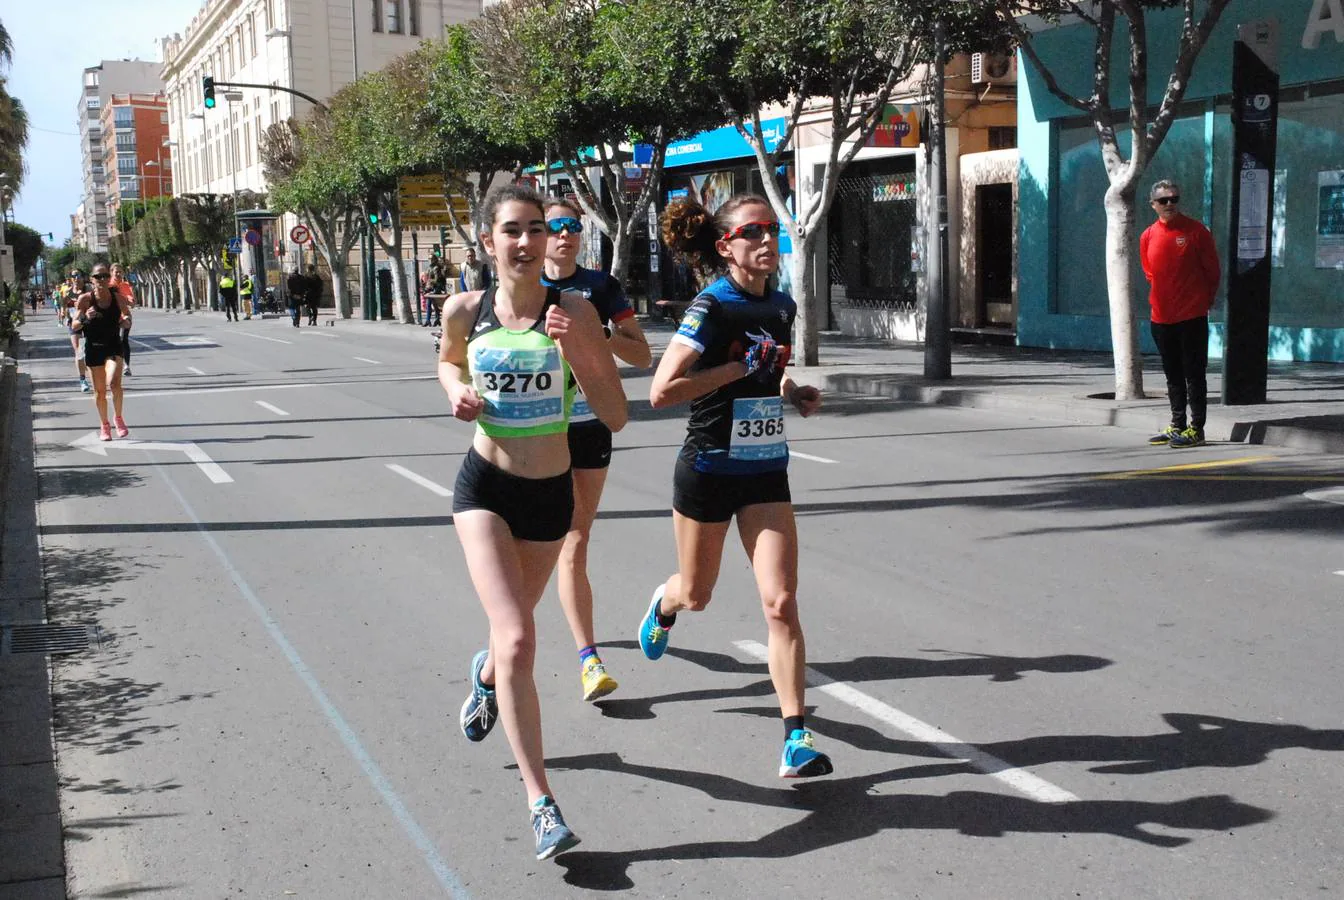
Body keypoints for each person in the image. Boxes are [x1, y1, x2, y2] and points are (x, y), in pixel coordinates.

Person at [441, 185, 626, 860]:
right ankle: (541, 803)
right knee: (520, 637)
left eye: (536, 231)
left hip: (551, 496)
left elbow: (616, 413)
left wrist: (579, 350)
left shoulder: (575, 310)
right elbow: (444, 359)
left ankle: (487, 675)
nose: (525, 243)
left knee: (506, 646)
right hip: (484, 488)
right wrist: (456, 391)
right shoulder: (464, 310)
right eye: (511, 230)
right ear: (488, 240)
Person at [640, 194, 833, 780]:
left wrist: (791, 391)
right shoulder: (711, 306)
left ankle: (795, 735)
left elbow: (769, 368)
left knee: (780, 602)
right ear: (726, 247)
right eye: (753, 232)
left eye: (772, 230)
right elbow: (661, 391)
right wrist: (734, 370)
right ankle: (664, 602)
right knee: (697, 593)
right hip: (708, 469)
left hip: (766, 470)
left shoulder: (781, 304)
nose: (766, 241)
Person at [540, 198, 652, 701]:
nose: (565, 234)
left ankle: (588, 660)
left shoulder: (601, 287)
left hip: (589, 425)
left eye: (572, 226)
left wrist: (597, 331)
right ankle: (510, 642)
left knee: (575, 540)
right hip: (537, 431)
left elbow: (641, 353)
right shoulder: (521, 287)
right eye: (554, 226)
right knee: (543, 544)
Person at [1140, 179, 1221, 449]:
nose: (1170, 203)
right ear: (1153, 205)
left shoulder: (1197, 231)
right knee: (1172, 374)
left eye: (1174, 198)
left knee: (1194, 373)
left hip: (1191, 316)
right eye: (1163, 200)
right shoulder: (1148, 236)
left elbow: (1212, 272)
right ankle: (1178, 425)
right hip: (1161, 318)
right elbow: (1150, 273)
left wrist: (1202, 301)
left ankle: (1197, 429)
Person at [71, 263, 133, 441]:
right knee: (99, 392)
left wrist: (125, 322)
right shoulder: (85, 299)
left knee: (114, 383)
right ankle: (105, 425)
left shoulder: (117, 298)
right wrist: (85, 317)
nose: (102, 279)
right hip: (94, 348)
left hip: (113, 346)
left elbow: (127, 315)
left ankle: (118, 418)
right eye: (98, 277)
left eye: (105, 276)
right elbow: (74, 325)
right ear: (92, 279)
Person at [60, 272, 91, 391]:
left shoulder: (88, 289)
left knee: (89, 349)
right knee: (79, 351)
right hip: (74, 323)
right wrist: (63, 312)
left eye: (78, 276)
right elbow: (64, 304)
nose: (76, 278)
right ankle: (82, 380)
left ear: (83, 277)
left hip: (88, 321)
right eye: (73, 276)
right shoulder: (67, 291)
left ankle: (94, 371)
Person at [109, 264, 135, 375]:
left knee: (123, 339)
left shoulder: (126, 285)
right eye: (116, 272)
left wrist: (129, 300)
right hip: (110, 318)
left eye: (120, 272)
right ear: (111, 273)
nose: (119, 274)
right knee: (112, 341)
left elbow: (132, 301)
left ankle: (126, 366)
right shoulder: (107, 285)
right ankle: (112, 364)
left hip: (124, 316)